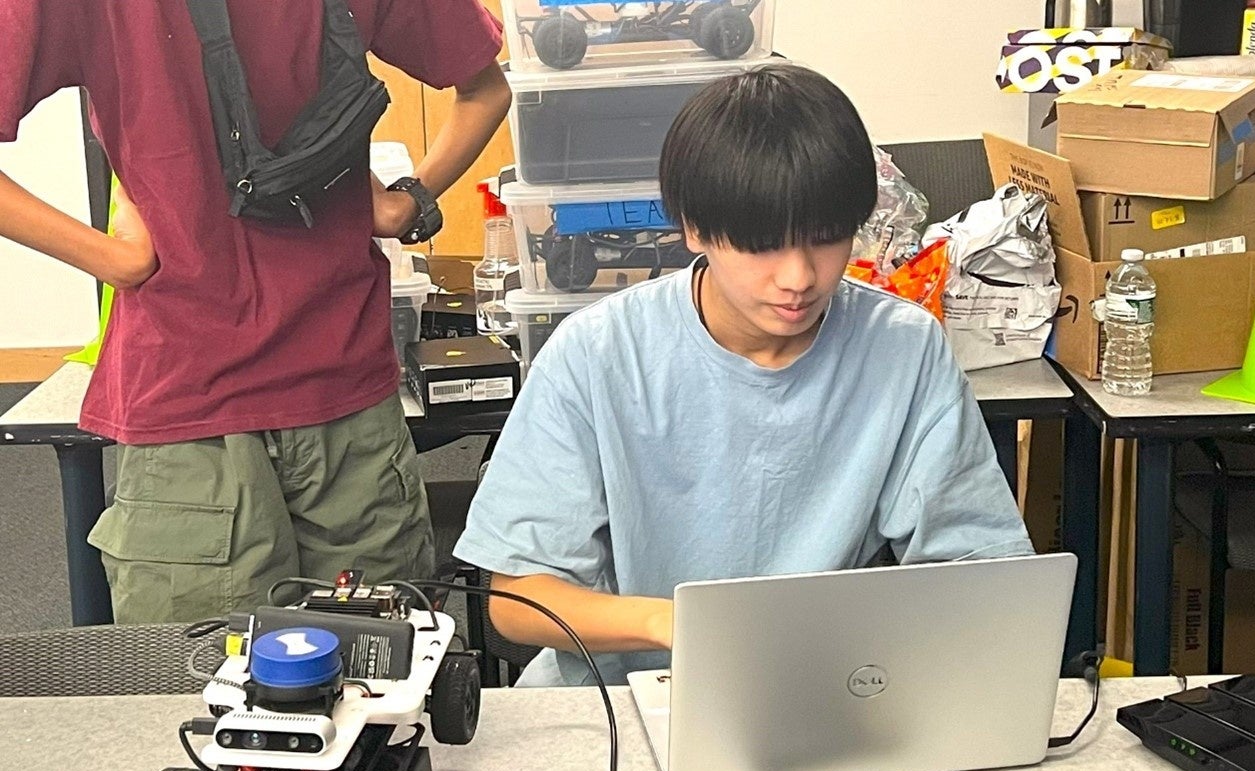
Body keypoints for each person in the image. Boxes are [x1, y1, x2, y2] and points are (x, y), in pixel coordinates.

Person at [456, 64, 1032, 687]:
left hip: (819, 687)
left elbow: (979, 568)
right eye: (763, 246)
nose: (799, 278)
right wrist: (674, 625)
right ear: (695, 229)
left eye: (826, 239)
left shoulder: (902, 347)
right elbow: (517, 598)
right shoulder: (597, 353)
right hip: (618, 701)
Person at [0, 1, 510, 623]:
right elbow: (485, 89)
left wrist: (116, 259)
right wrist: (410, 202)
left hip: (195, 397)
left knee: (198, 694)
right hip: (332, 395)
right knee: (378, 688)